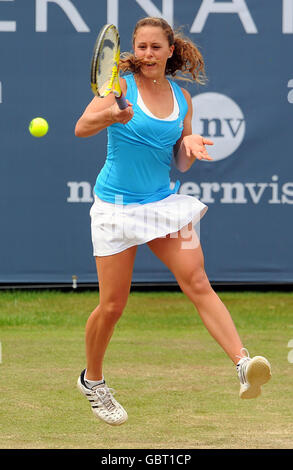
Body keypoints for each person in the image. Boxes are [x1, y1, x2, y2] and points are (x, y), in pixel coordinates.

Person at [75, 17, 271, 426]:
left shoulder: (183, 98)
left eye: (155, 47)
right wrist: (111, 116)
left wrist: (189, 142)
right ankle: (92, 381)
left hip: (162, 205)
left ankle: (242, 363)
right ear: (134, 50)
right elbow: (81, 127)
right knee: (112, 306)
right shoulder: (120, 86)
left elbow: (179, 160)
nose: (147, 54)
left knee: (197, 280)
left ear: (170, 51)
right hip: (115, 208)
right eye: (141, 47)